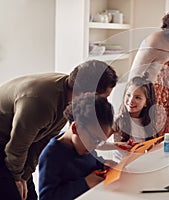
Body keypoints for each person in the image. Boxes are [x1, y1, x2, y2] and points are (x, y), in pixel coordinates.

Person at [0, 59, 118, 200]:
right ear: (87, 93)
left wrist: (24, 175)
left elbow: (40, 140)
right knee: (13, 192)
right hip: (7, 141)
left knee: (27, 193)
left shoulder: (70, 99)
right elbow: (17, 147)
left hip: (16, 142)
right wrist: (16, 179)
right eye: (103, 98)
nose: (103, 104)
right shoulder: (41, 103)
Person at [38, 92, 114, 200]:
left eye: (100, 142)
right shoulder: (51, 156)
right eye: (94, 139)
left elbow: (92, 162)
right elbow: (47, 197)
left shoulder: (87, 147)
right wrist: (84, 184)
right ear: (76, 128)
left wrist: (104, 164)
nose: (95, 146)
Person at [97, 73, 158, 162]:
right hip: (121, 166)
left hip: (140, 164)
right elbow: (98, 144)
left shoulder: (148, 122)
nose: (131, 100)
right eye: (128, 95)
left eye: (137, 97)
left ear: (146, 102)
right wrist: (117, 145)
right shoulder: (118, 121)